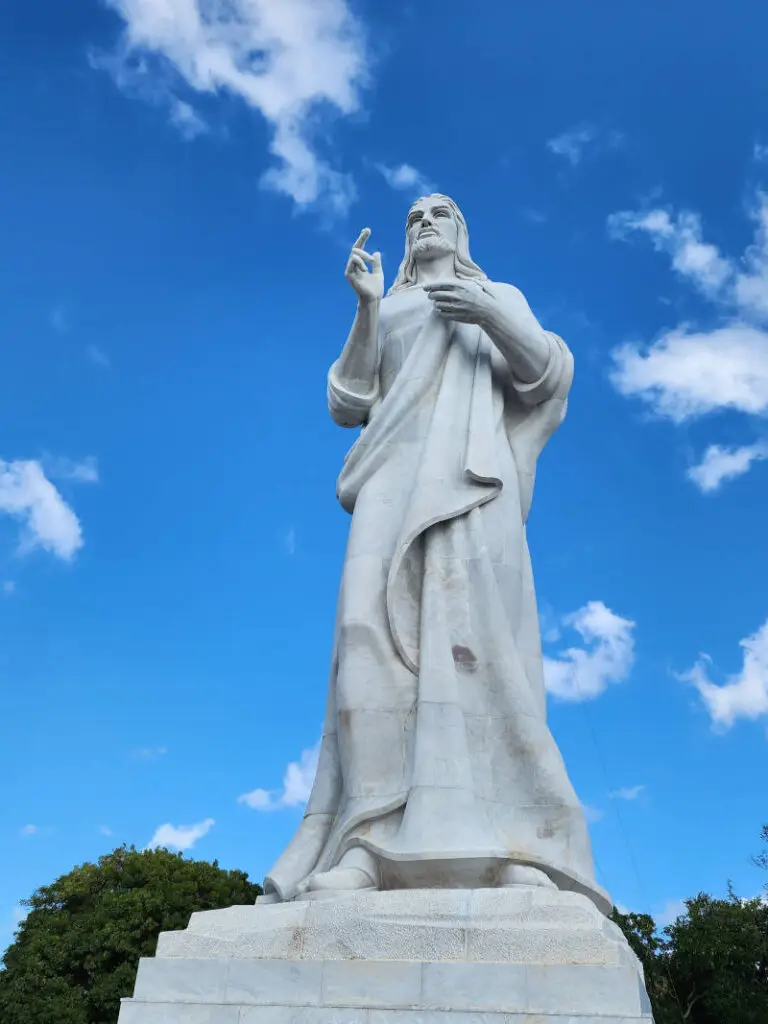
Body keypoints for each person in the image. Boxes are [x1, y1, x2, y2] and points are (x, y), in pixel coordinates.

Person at [264, 194, 608, 913]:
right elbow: (348, 400)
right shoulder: (388, 307)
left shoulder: (496, 295)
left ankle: (515, 844)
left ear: (461, 232)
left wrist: (487, 314)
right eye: (414, 216)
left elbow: (547, 375)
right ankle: (364, 843)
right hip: (390, 476)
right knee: (364, 640)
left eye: (440, 213)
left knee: (479, 649)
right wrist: (366, 307)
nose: (424, 221)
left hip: (471, 482)